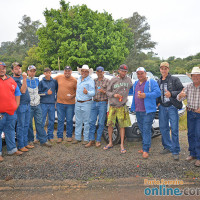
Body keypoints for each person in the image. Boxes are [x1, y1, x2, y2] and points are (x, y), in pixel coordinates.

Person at [130, 67, 161, 158]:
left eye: (141, 73)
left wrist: (146, 95)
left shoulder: (151, 82)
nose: (140, 75)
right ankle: (146, 146)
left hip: (148, 111)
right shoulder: (135, 83)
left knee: (146, 129)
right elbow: (133, 95)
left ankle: (146, 149)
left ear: (145, 73)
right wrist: (133, 107)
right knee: (142, 129)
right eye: (138, 73)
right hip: (138, 110)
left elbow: (158, 93)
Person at [157, 62, 184, 160]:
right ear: (160, 69)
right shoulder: (158, 81)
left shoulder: (174, 79)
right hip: (162, 108)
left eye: (165, 68)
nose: (163, 70)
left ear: (168, 69)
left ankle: (176, 151)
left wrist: (171, 93)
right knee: (163, 128)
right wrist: (158, 102)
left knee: (174, 129)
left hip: (172, 107)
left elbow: (182, 90)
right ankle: (167, 147)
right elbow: (157, 93)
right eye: (162, 68)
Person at [104, 64, 132, 153]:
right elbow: (107, 92)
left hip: (122, 106)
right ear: (118, 71)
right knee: (110, 125)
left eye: (125, 71)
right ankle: (110, 143)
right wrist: (114, 95)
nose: (123, 73)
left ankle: (122, 145)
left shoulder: (128, 80)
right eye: (122, 71)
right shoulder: (113, 80)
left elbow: (131, 88)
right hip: (112, 106)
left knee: (122, 126)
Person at [177, 66, 200, 167]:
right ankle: (193, 153)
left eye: (197, 75)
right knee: (190, 134)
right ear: (191, 77)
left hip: (199, 114)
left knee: (198, 135)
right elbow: (179, 98)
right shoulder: (188, 86)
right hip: (190, 113)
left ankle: (199, 157)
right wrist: (180, 96)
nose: (195, 77)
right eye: (193, 76)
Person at [0, 61, 23, 162]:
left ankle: (12, 150)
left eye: (3, 68)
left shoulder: (11, 80)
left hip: (11, 112)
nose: (2, 70)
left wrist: (16, 106)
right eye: (0, 68)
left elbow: (17, 93)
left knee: (10, 131)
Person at [27, 65, 52, 147]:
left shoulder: (37, 80)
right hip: (29, 105)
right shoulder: (24, 80)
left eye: (34, 71)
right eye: (31, 71)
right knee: (29, 124)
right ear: (28, 72)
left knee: (40, 123)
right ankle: (30, 140)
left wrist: (45, 93)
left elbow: (39, 92)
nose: (32, 72)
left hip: (37, 105)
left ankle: (43, 140)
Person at [12, 62, 34, 152]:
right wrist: (25, 79)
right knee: (21, 126)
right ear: (12, 70)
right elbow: (22, 91)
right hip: (20, 105)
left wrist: (23, 78)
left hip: (27, 104)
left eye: (19, 68)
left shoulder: (21, 77)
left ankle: (25, 143)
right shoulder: (13, 80)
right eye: (16, 69)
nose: (19, 70)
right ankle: (20, 145)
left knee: (26, 125)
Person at [85, 66, 109, 148]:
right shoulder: (93, 81)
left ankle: (98, 140)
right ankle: (91, 140)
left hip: (103, 103)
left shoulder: (107, 81)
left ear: (103, 72)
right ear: (96, 72)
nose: (99, 73)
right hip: (94, 102)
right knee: (91, 122)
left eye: (101, 71)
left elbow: (110, 93)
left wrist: (104, 91)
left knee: (101, 123)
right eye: (98, 71)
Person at [73, 65, 95, 145]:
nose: (84, 72)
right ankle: (77, 138)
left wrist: (87, 92)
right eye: (83, 71)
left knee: (86, 122)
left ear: (88, 72)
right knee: (78, 121)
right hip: (78, 102)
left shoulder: (90, 81)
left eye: (86, 71)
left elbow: (93, 92)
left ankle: (86, 139)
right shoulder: (78, 79)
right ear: (81, 71)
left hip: (86, 103)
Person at [54, 66, 77, 143]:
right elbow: (51, 81)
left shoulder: (74, 80)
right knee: (60, 120)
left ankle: (69, 136)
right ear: (64, 71)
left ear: (71, 71)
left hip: (70, 104)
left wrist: (73, 96)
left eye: (69, 71)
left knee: (69, 120)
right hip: (60, 103)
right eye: (66, 71)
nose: (67, 72)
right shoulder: (59, 77)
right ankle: (60, 137)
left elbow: (78, 91)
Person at [38, 68, 58, 142]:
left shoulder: (54, 81)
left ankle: (50, 136)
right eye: (46, 72)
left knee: (51, 120)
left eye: (49, 72)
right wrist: (46, 93)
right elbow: (39, 93)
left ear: (50, 73)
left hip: (52, 104)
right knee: (42, 121)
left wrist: (56, 101)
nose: (48, 74)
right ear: (44, 73)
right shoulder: (41, 82)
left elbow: (57, 91)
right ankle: (40, 136)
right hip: (43, 103)